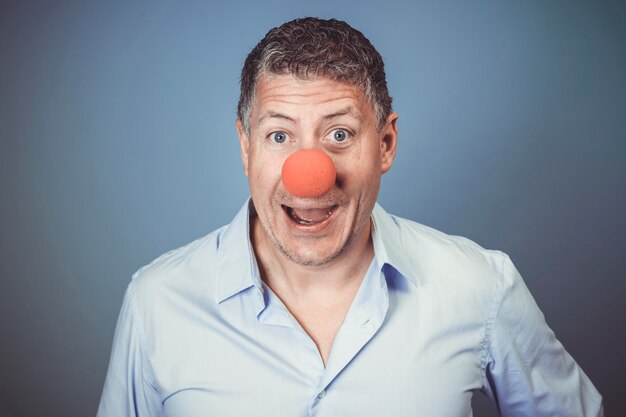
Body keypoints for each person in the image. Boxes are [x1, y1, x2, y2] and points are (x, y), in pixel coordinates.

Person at [96, 17, 603, 417]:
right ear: (245, 147)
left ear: (385, 144)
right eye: (279, 136)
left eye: (340, 134)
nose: (309, 175)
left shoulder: (480, 287)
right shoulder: (157, 302)